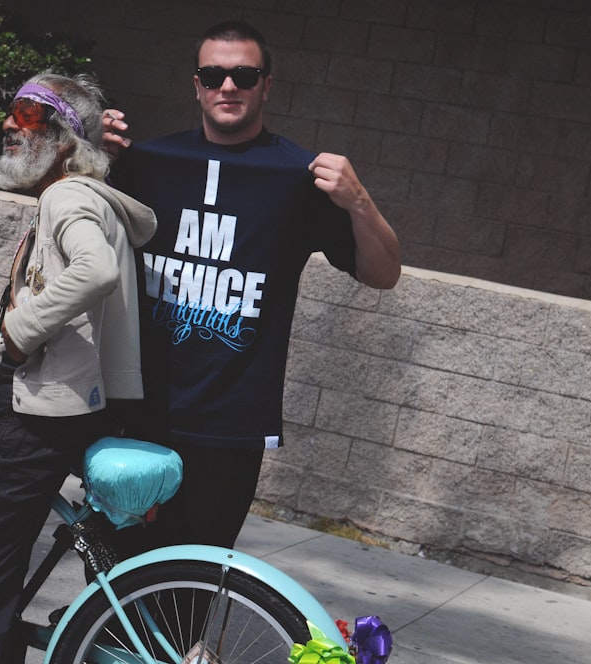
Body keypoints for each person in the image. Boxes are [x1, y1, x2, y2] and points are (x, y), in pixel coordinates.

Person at [102, 20, 401, 551]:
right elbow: (63, 219)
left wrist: (359, 201)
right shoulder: (146, 163)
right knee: (112, 569)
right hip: (135, 407)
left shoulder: (297, 176)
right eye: (213, 74)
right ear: (196, 84)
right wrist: (82, 148)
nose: (228, 86)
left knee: (192, 578)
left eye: (244, 74)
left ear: (267, 84)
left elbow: (383, 274)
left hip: (230, 423)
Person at [0, 73, 157, 663]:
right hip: (74, 401)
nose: (9, 123)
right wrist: (8, 314)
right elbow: (69, 286)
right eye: (12, 112)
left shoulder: (66, 196)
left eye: (29, 115)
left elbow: (94, 271)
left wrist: (22, 330)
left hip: (35, 413)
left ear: (64, 140)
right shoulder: (85, 197)